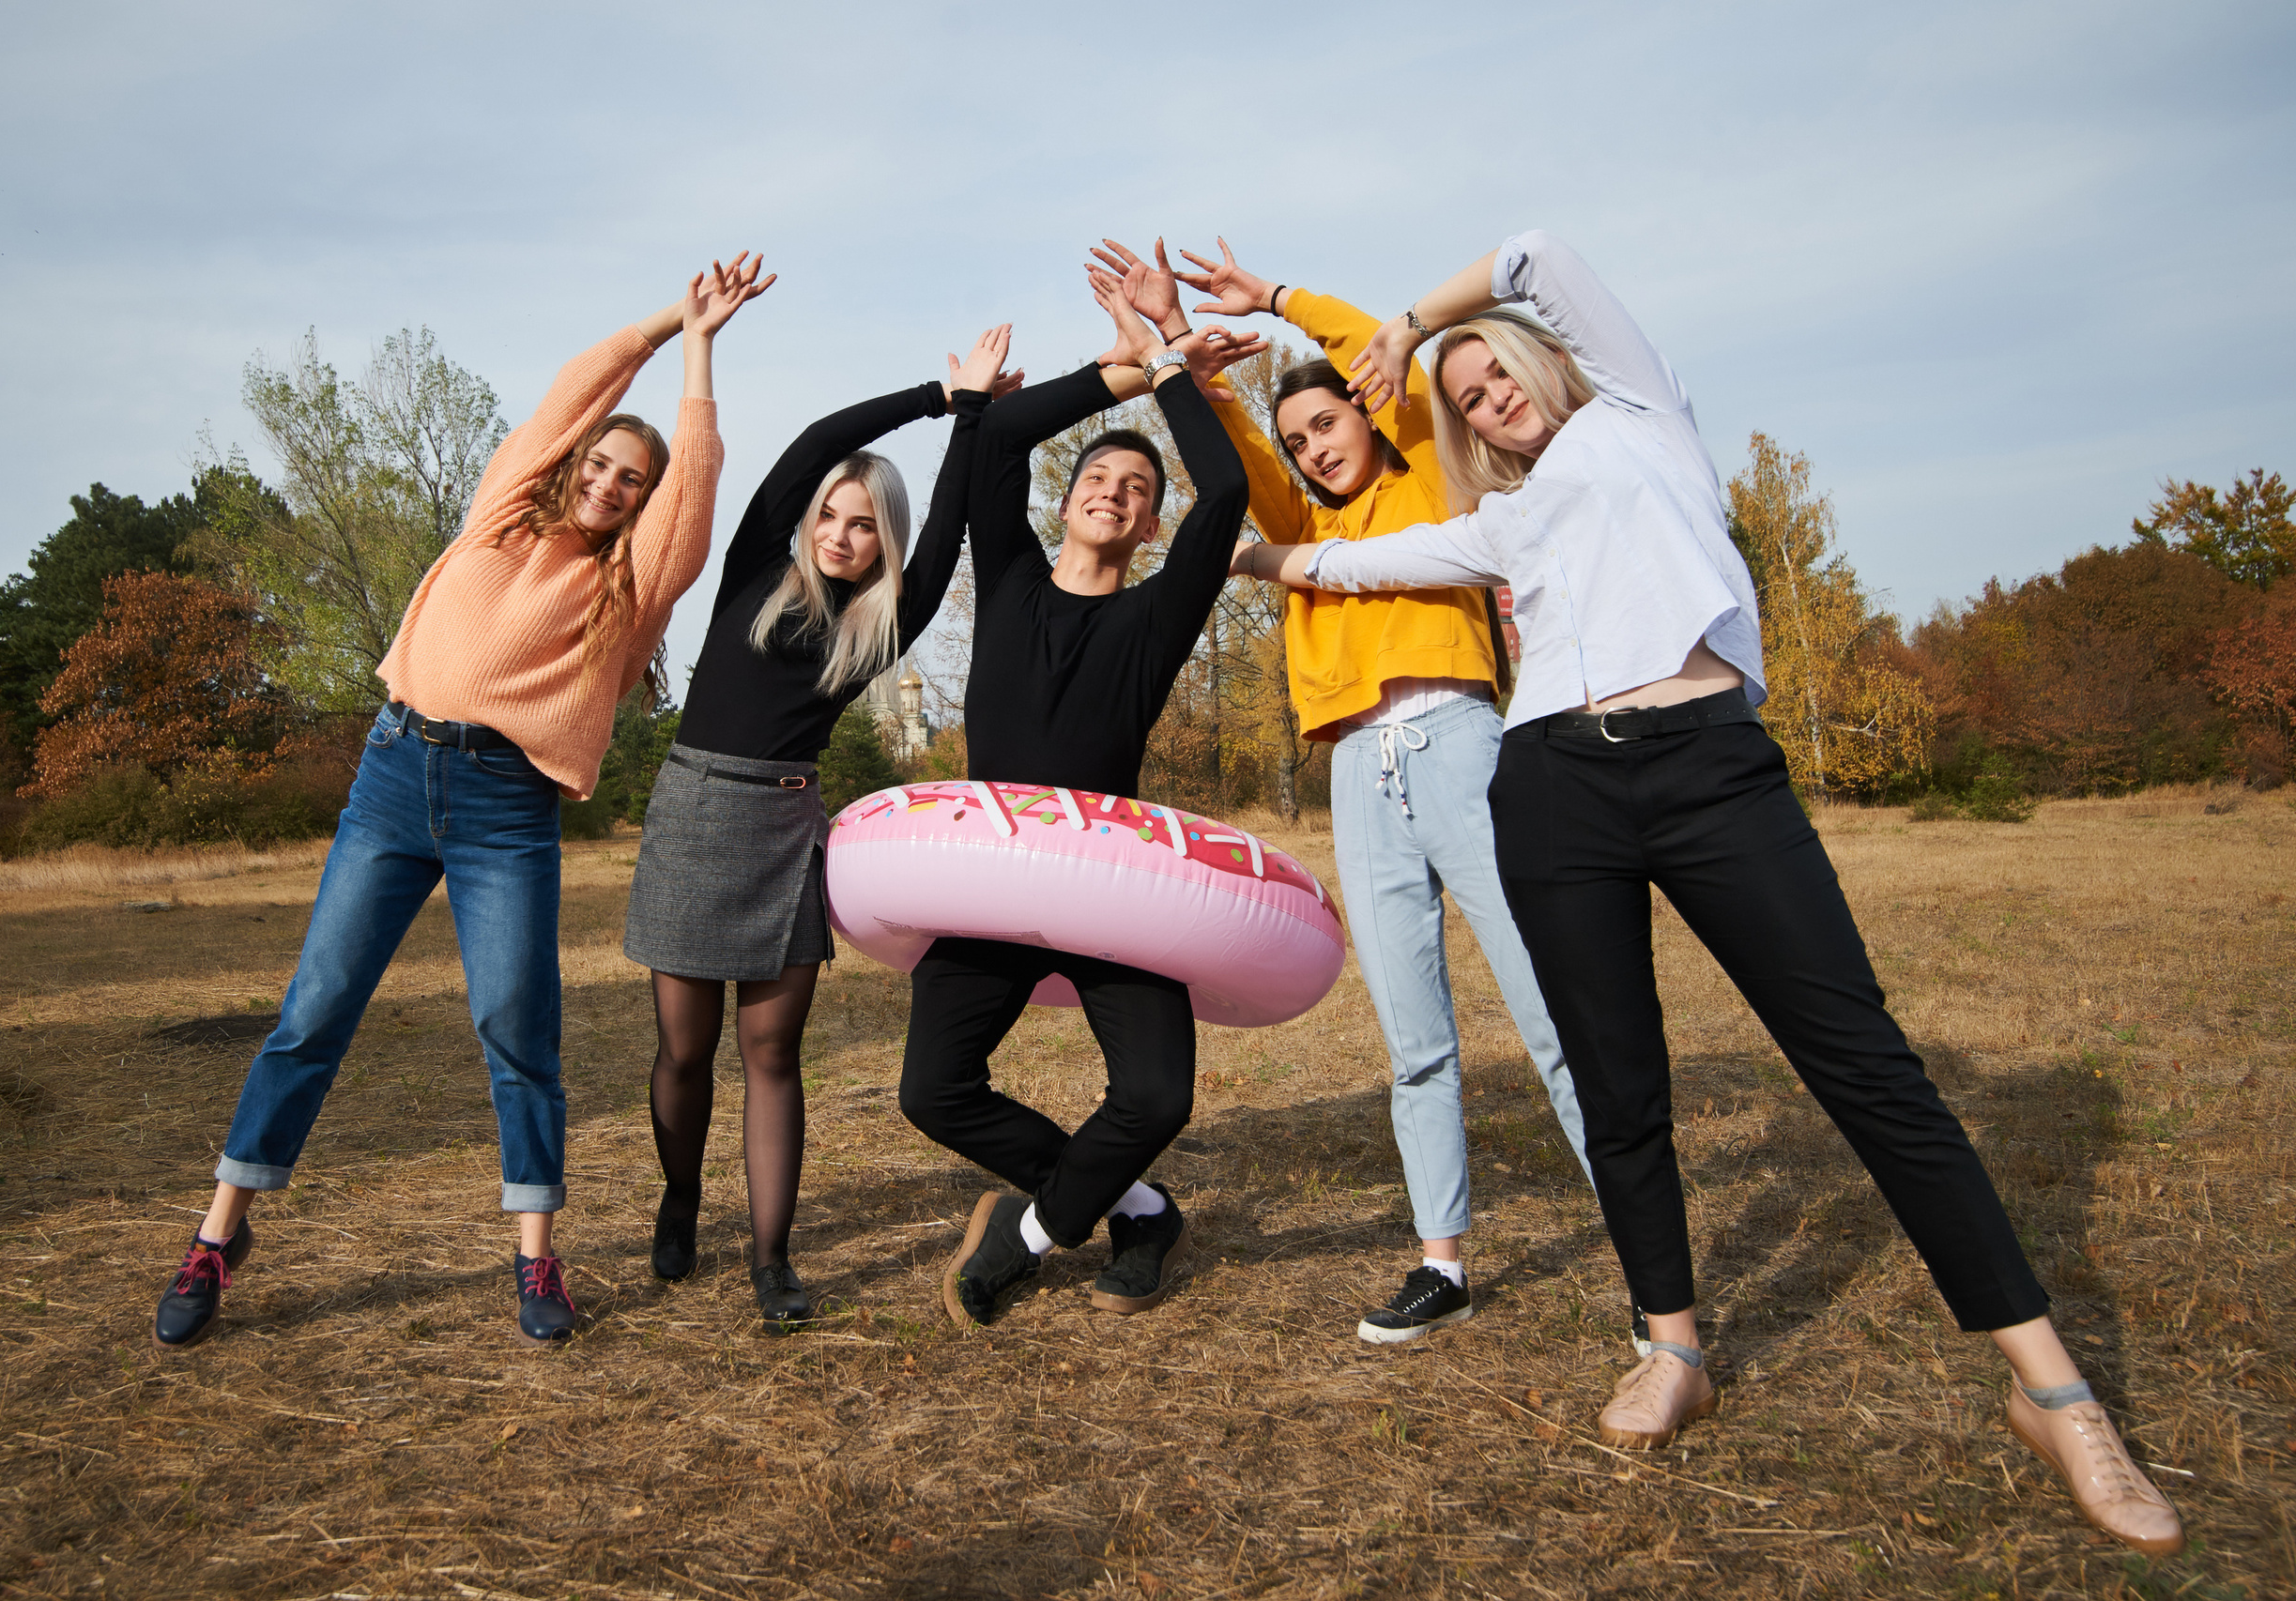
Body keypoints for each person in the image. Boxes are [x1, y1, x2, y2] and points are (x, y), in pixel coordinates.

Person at [1239, 229, 2181, 1556]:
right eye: (1463, 402)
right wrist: (1244, 564)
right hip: (1553, 782)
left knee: (1864, 1062)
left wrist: (1406, 325)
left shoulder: (1641, 409)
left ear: (1537, 361)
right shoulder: (1506, 516)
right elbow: (1355, 563)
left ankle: (2056, 1389)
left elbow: (1532, 250)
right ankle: (1669, 1342)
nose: (1484, 399)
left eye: (1493, 375)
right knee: (1619, 1084)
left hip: (1707, 765)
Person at [151, 256, 773, 1351]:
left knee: (516, 1029)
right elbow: (573, 388)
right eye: (604, 463)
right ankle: (219, 1233)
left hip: (506, 808)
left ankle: (537, 1259)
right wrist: (669, 321)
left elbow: (694, 497)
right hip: (393, 779)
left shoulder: (630, 588)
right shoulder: (500, 517)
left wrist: (707, 354)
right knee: (314, 1011)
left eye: (634, 478)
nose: (613, 483)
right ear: (574, 460)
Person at [1091, 236, 1596, 1345]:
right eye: (1297, 440)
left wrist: (1275, 299)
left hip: (1457, 740)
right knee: (1413, 1037)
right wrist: (1176, 340)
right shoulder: (1298, 527)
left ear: (1369, 415)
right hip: (1355, 776)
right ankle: (1441, 1258)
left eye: (1326, 424)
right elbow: (1226, 451)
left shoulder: (1426, 468)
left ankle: (1636, 1218)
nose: (1315, 449)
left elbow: (1379, 349)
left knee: (1548, 1005)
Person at [623, 324, 1024, 1332]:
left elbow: (948, 527)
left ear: (881, 544)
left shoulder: (884, 621)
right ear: (807, 520)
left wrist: (974, 421)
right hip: (692, 811)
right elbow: (814, 439)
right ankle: (679, 1198)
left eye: (864, 525)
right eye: (832, 516)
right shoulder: (757, 563)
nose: (842, 533)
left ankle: (770, 1256)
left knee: (770, 1051)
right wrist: (940, 394)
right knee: (682, 1048)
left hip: (785, 828)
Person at [899, 267, 1262, 1328]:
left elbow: (1227, 496)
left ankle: (1030, 1233)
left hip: (1116, 882)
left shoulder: (1155, 621)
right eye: (1099, 477)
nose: (1115, 489)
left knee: (1157, 1094)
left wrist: (1168, 367)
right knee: (934, 1089)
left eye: (1139, 489)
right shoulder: (1006, 574)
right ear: (1067, 501)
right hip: (992, 874)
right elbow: (998, 442)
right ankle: (1140, 1210)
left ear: (1151, 527)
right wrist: (1113, 379)